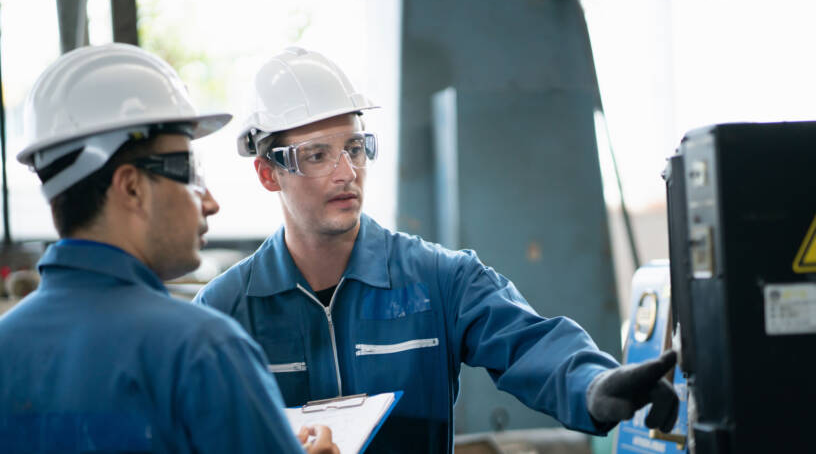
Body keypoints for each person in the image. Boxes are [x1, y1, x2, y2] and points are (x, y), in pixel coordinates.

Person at [195, 47, 679, 453]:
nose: (346, 172)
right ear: (267, 173)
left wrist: (593, 386)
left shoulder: (438, 281)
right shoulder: (224, 314)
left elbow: (530, 342)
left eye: (356, 147)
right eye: (317, 155)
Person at [1, 43, 338, 454]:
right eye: (189, 172)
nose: (210, 201)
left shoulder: (7, 348)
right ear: (131, 187)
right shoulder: (202, 351)